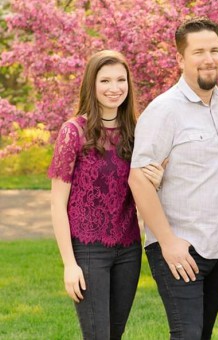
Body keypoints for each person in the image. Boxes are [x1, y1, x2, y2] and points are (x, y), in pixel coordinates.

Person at [128, 17, 218, 339]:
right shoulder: (163, 110)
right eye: (199, 51)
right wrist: (168, 243)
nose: (209, 59)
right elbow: (138, 180)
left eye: (215, 50)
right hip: (179, 248)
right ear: (180, 59)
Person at [48, 50, 165, 339]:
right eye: (105, 81)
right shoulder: (73, 132)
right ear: (92, 84)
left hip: (128, 250)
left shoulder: (136, 132)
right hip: (88, 250)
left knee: (114, 335)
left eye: (120, 80)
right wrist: (70, 264)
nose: (114, 88)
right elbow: (57, 205)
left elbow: (143, 191)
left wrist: (158, 181)